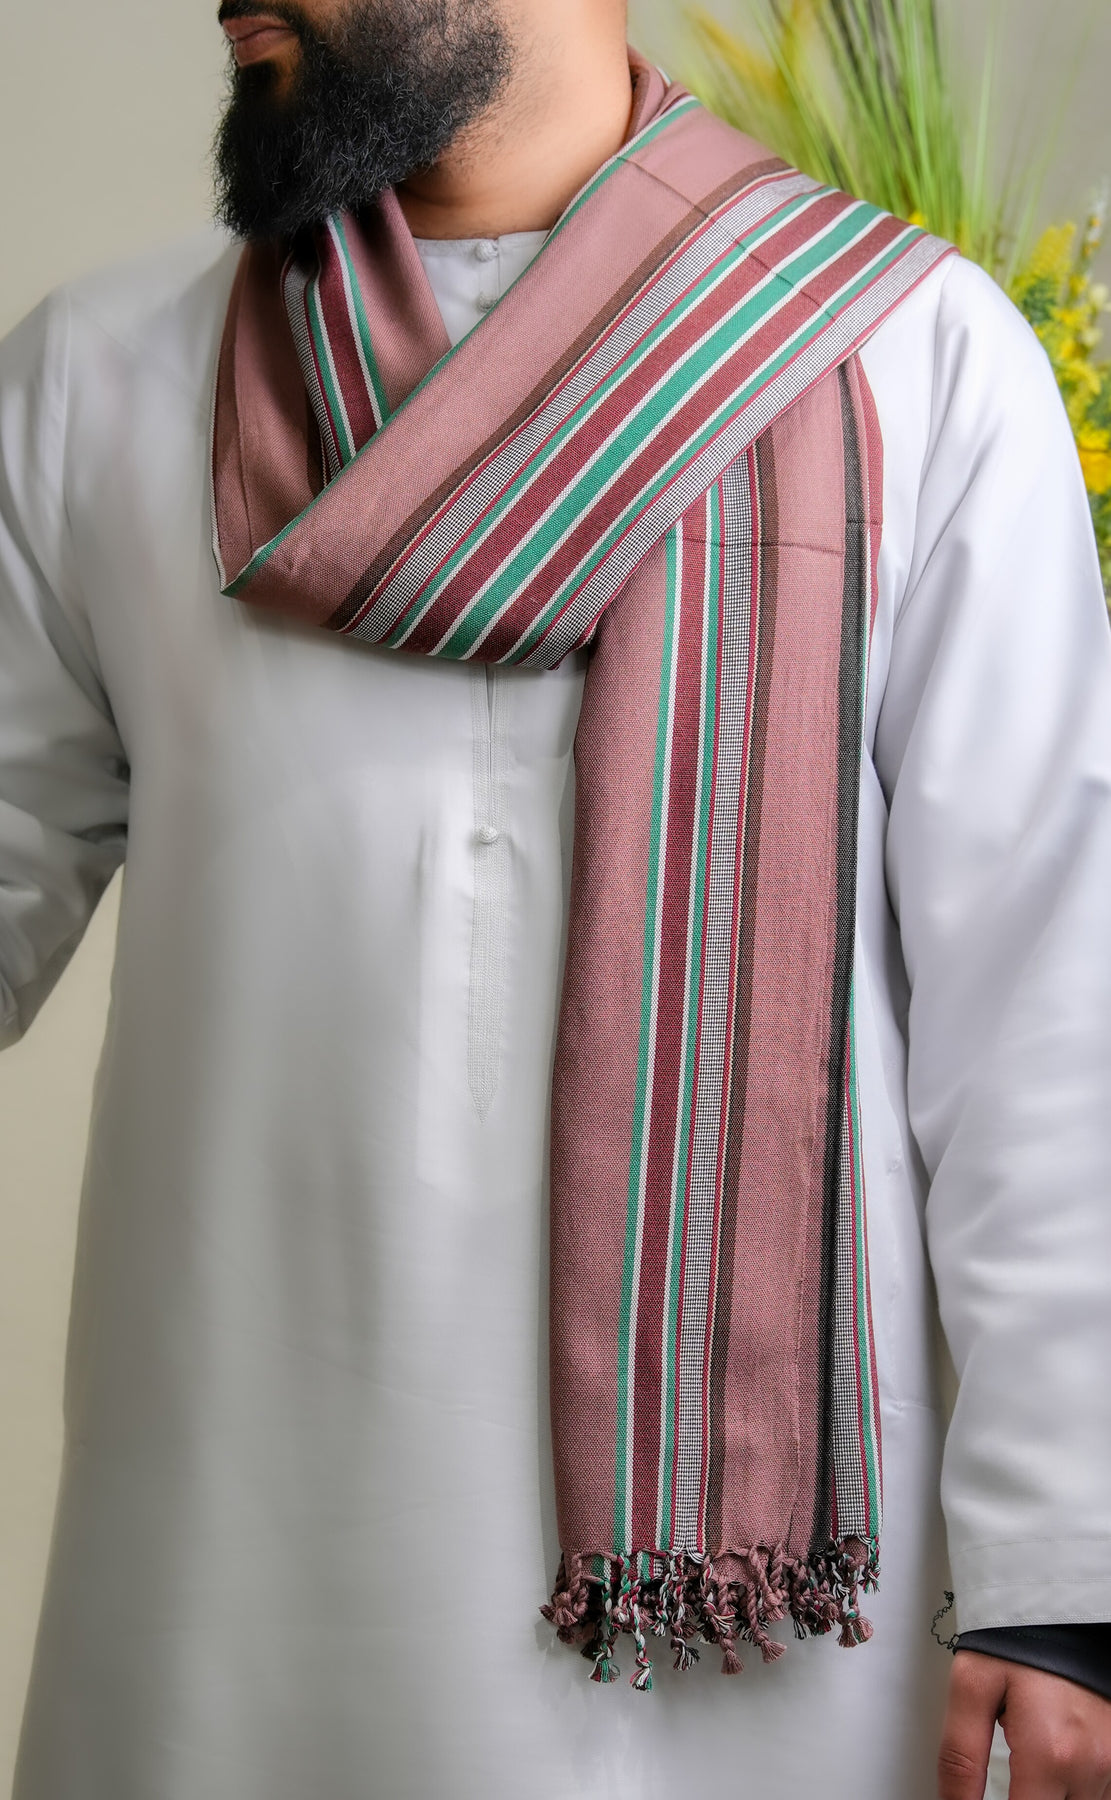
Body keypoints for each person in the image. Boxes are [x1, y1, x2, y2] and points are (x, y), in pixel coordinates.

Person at [2, 1, 1109, 1795]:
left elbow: (1055, 1007)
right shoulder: (101, 381)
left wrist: (1069, 1573)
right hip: (223, 1598)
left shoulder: (910, 359)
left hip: (772, 1660)